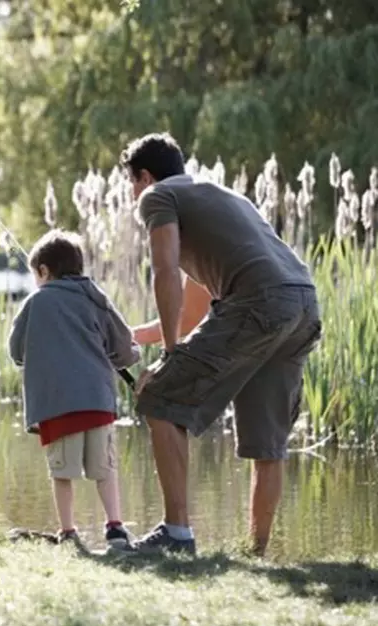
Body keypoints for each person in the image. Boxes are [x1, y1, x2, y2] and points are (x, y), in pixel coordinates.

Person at [121, 132, 323, 556]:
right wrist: (137, 337)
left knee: (158, 396)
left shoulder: (157, 197)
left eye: (132, 183)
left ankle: (176, 534)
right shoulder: (220, 199)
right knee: (266, 443)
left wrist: (172, 356)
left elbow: (164, 271)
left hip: (260, 301)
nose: (133, 195)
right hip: (301, 304)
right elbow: (194, 314)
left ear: (144, 176)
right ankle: (256, 553)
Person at [8, 229, 141, 548]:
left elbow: (15, 350)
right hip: (97, 403)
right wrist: (129, 356)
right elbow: (123, 345)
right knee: (104, 469)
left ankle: (68, 531)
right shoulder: (96, 296)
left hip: (56, 405)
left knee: (62, 473)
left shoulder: (34, 302)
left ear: (43, 271)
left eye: (35, 275)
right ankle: (115, 528)